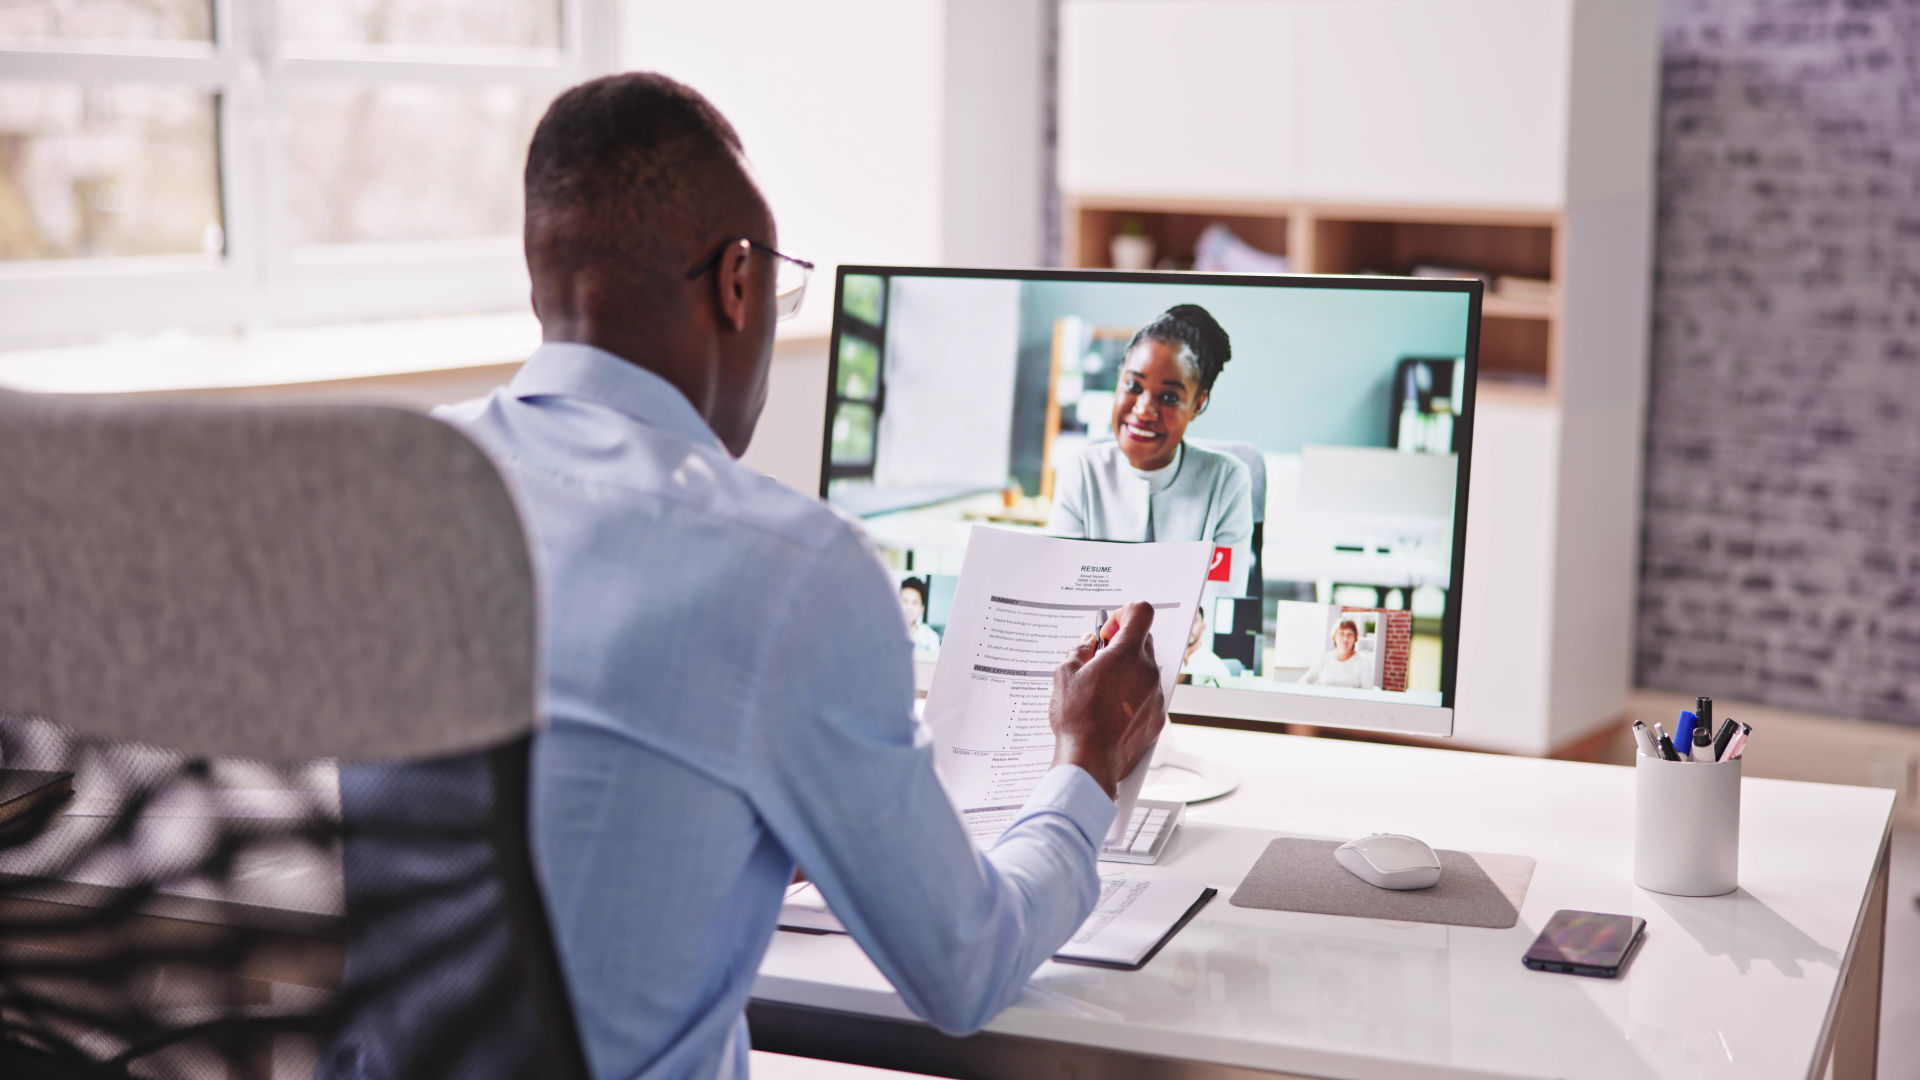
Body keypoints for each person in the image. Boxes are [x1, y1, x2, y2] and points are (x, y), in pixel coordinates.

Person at [431, 74, 1168, 1080]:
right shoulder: (784, 569)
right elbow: (966, 966)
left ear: (539, 282)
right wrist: (1087, 762)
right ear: (737, 283)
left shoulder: (397, 486)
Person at [1046, 304, 1255, 599]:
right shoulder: (1082, 472)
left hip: (1188, 647)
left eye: (1169, 397)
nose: (1144, 410)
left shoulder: (1227, 480)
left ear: (1197, 404)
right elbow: (1059, 591)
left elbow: (1219, 602)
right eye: (1133, 385)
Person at [1301, 618, 1374, 689]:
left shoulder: (1363, 662)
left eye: (1350, 634)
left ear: (1355, 638)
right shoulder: (1324, 658)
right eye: (1341, 633)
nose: (1345, 638)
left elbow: (1368, 692)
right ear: (1334, 636)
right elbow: (1303, 681)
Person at [1179, 605, 1232, 687]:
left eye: (1194, 620)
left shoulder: (1217, 668)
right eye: (1184, 621)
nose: (1189, 626)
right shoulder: (1171, 662)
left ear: (1203, 626)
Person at [898, 575, 942, 660]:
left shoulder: (931, 638)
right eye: (905, 601)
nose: (909, 608)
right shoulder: (887, 634)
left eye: (914, 603)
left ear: (922, 609)